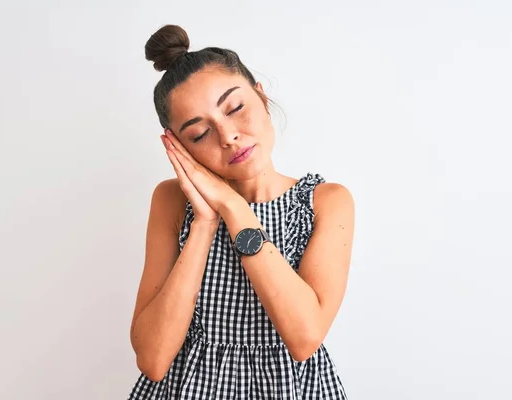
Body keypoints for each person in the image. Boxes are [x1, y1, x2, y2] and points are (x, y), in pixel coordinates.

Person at [128, 24, 355, 400]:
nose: (228, 136)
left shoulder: (325, 201)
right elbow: (152, 360)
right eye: (199, 134)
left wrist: (234, 207)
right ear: (178, 147)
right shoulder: (172, 201)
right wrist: (204, 220)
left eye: (235, 108)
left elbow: (304, 338)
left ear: (261, 98)